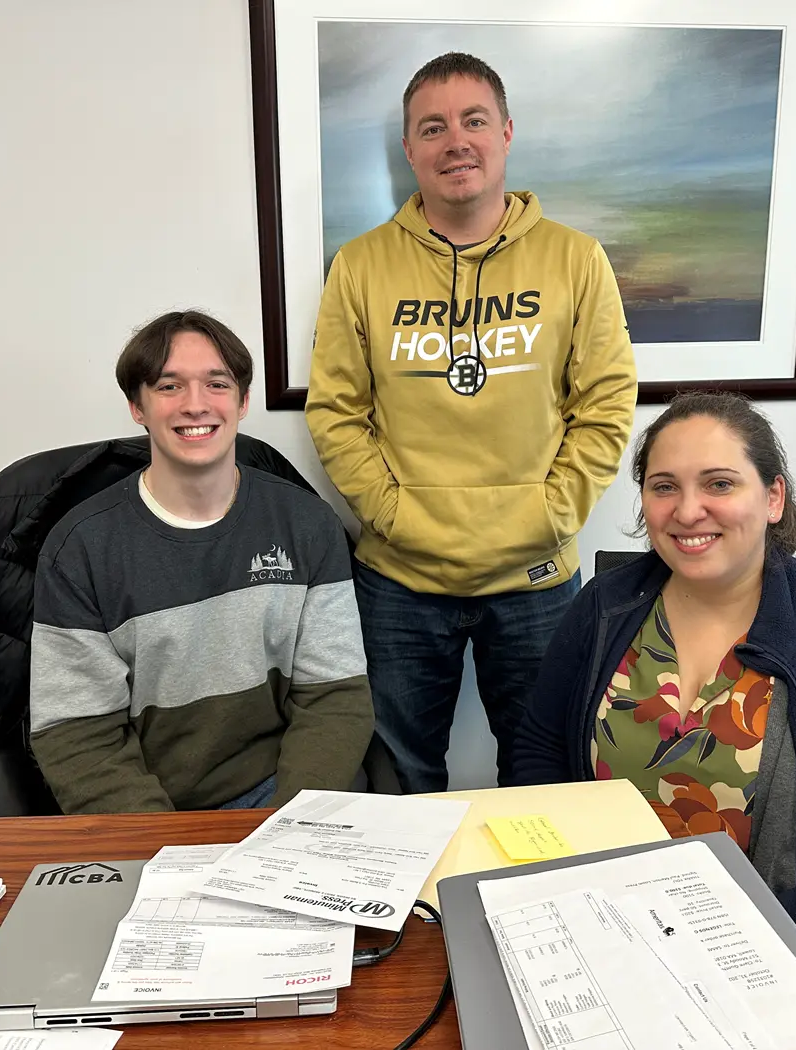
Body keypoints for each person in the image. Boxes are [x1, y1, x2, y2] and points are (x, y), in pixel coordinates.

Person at [512, 392, 796, 1049]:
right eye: (663, 487)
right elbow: (537, 752)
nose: (688, 510)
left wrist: (741, 945)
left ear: (773, 497)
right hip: (609, 952)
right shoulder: (604, 609)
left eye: (718, 483)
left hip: (790, 968)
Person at [306, 52, 637, 793]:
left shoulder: (575, 260)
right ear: (409, 150)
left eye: (474, 120)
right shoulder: (359, 267)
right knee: (399, 782)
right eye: (433, 127)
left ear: (507, 133)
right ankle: (416, 914)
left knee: (546, 776)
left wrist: (550, 511)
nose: (455, 140)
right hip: (399, 578)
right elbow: (335, 412)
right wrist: (391, 513)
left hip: (536, 575)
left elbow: (607, 403)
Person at [29, 309, 374, 812]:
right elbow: (78, 735)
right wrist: (166, 849)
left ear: (243, 401)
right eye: (169, 387)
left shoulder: (305, 525)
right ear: (137, 406)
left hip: (278, 798)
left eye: (216, 384)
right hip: (146, 812)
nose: (196, 405)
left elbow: (334, 698)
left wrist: (289, 831)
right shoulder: (80, 550)